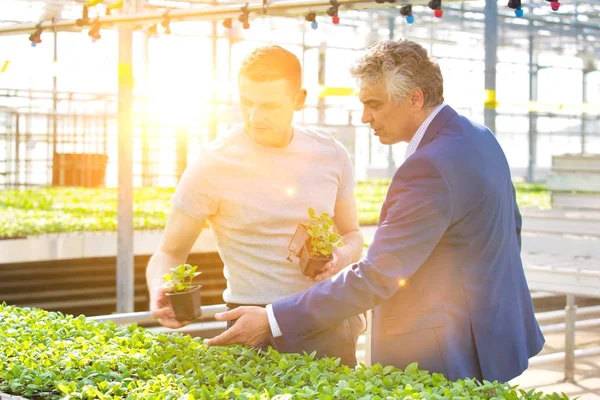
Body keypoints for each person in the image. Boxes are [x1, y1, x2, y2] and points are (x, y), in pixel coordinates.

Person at [206, 39, 545, 383]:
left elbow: (378, 276)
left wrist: (273, 319)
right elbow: (509, 228)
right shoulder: (479, 137)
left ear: (415, 98)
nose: (366, 117)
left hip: (444, 350)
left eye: (375, 105)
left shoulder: (428, 167)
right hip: (492, 335)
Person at [146, 45, 365, 367]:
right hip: (251, 324)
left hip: (325, 316)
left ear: (299, 99)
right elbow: (169, 252)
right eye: (246, 102)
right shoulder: (213, 162)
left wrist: (343, 255)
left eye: (269, 105)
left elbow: (353, 234)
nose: (254, 117)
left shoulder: (330, 153)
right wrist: (161, 287)